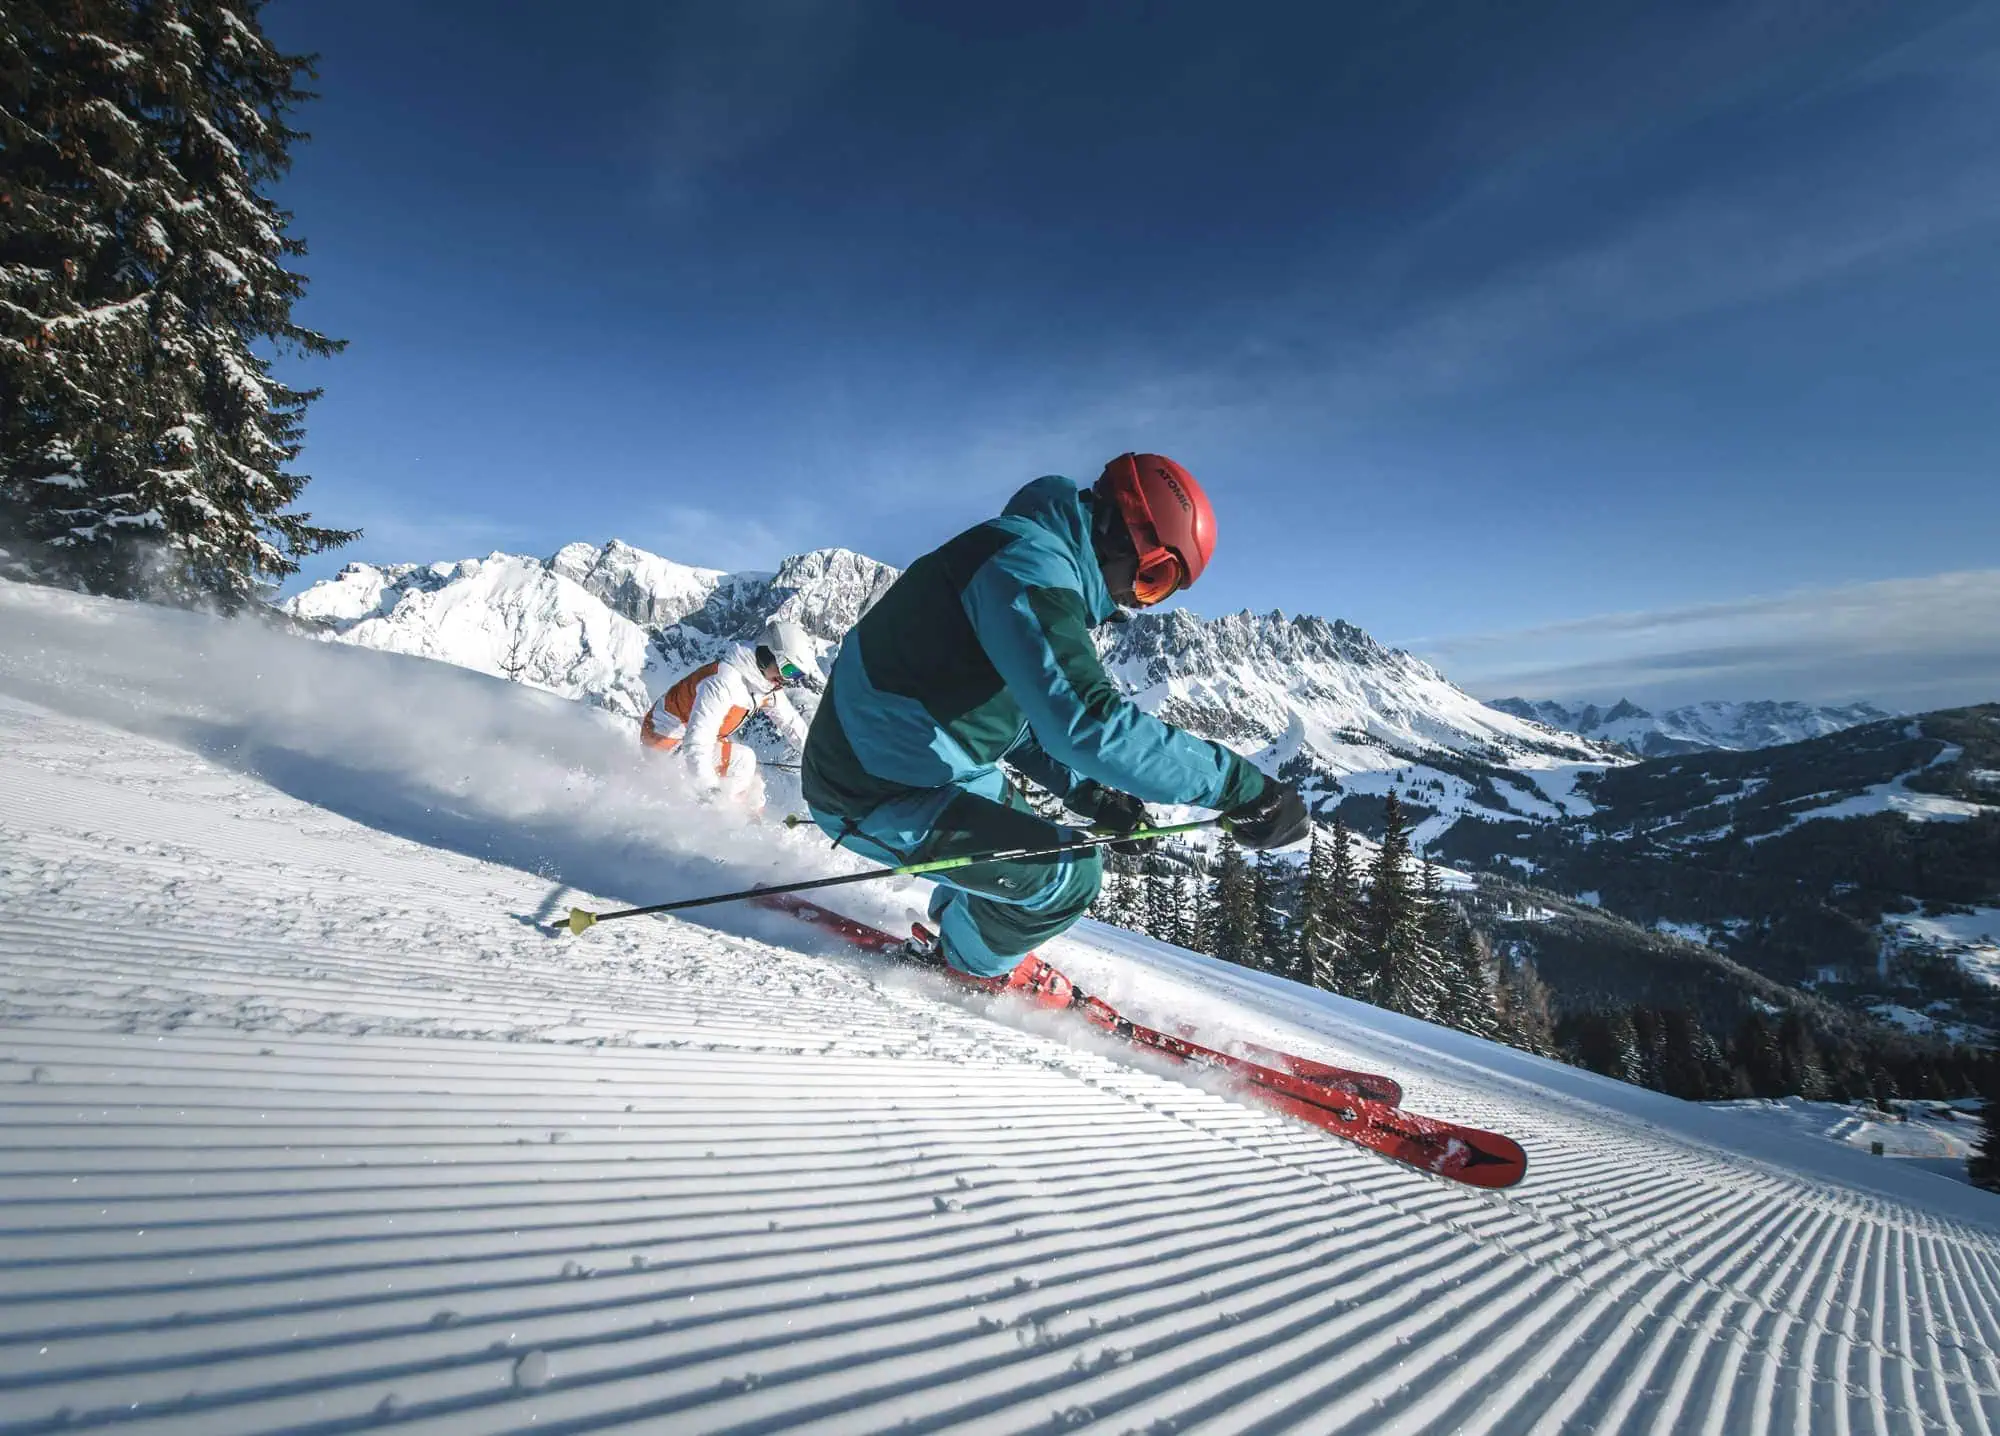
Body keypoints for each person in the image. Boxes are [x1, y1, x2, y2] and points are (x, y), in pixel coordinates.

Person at [801, 452, 1310, 989]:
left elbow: (1017, 722)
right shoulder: (1025, 569)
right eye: (1153, 578)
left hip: (925, 761)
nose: (1135, 603)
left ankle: (966, 928)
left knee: (1035, 845)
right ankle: (963, 971)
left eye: (1157, 593)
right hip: (872, 789)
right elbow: (1087, 722)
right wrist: (1241, 787)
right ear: (1120, 527)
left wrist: (1095, 798)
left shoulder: (1021, 556)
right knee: (1069, 876)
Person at [643, 618, 816, 810]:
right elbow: (697, 741)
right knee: (743, 763)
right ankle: (723, 822)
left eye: (795, 676)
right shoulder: (723, 682)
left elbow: (791, 723)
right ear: (768, 653)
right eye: (788, 669)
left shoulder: (763, 683)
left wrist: (818, 759)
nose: (786, 680)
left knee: (750, 780)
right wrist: (709, 790)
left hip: (685, 737)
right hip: (664, 742)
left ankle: (749, 821)